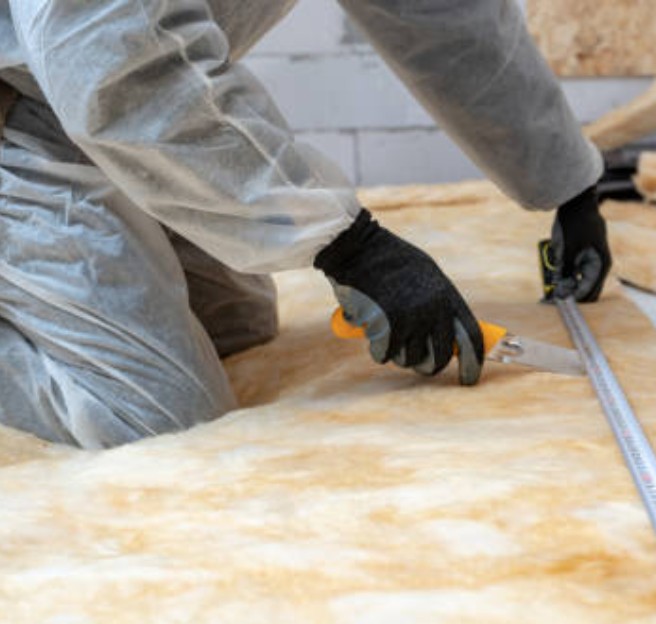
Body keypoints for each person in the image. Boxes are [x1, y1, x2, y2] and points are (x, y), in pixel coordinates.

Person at [0, 1, 612, 449]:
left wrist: (568, 182)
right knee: (156, 421)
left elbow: (444, 15)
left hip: (107, 111)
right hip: (25, 111)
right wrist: (353, 248)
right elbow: (110, 56)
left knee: (238, 327)